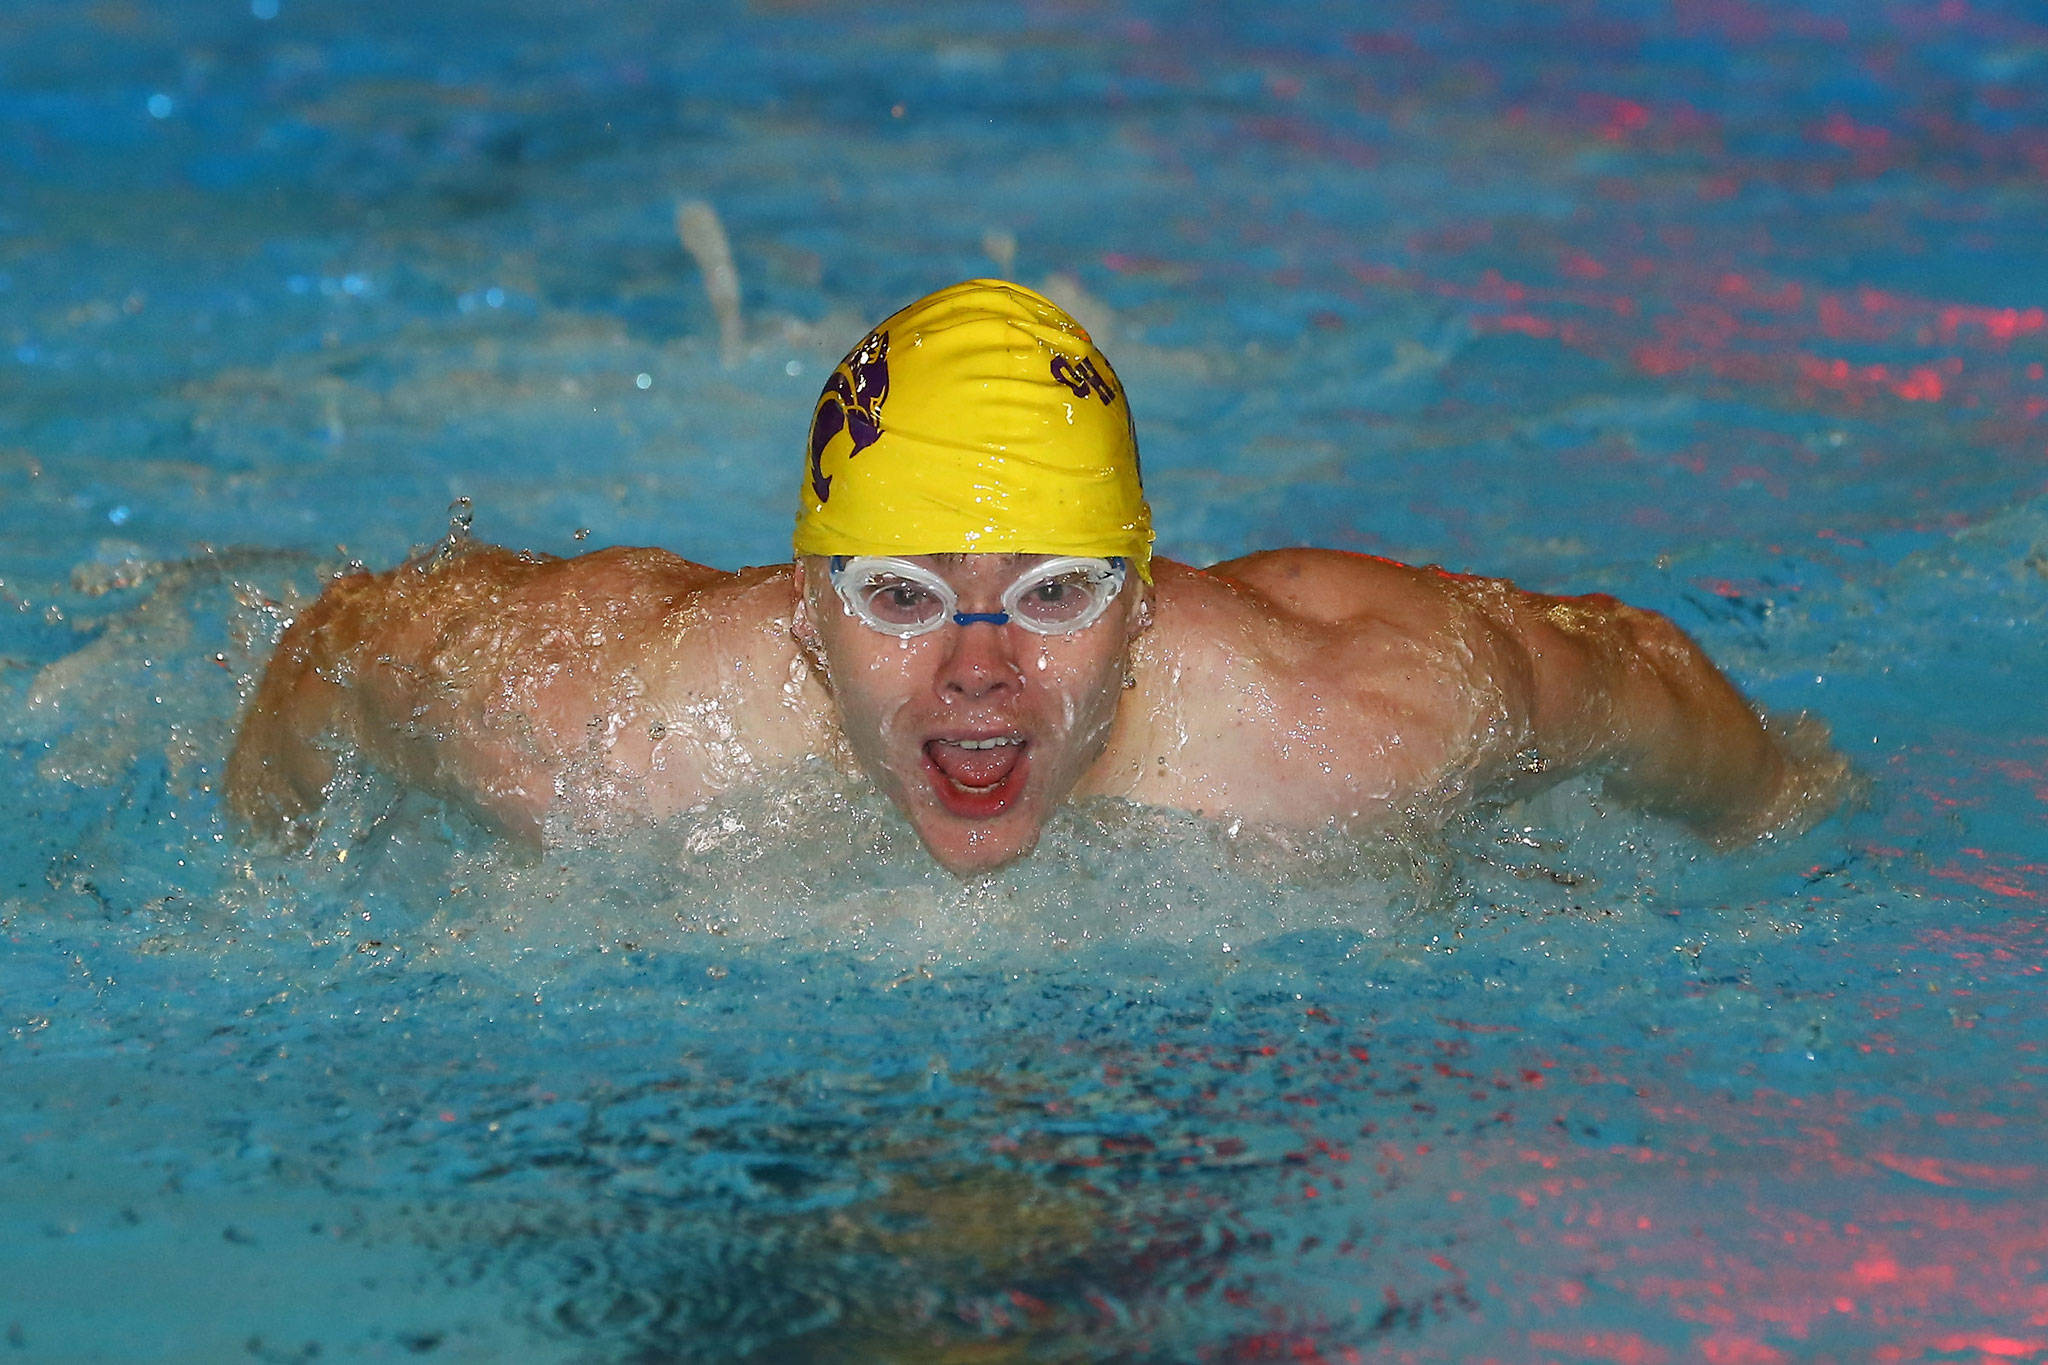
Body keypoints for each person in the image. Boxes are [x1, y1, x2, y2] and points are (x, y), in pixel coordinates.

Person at [226, 279, 1845, 875]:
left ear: (1147, 606)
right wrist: (263, 879)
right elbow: (339, 647)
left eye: (1059, 591)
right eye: (900, 597)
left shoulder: (1356, 721)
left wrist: (1791, 817)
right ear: (802, 607)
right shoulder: (592, 730)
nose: (978, 671)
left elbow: (1637, 677)